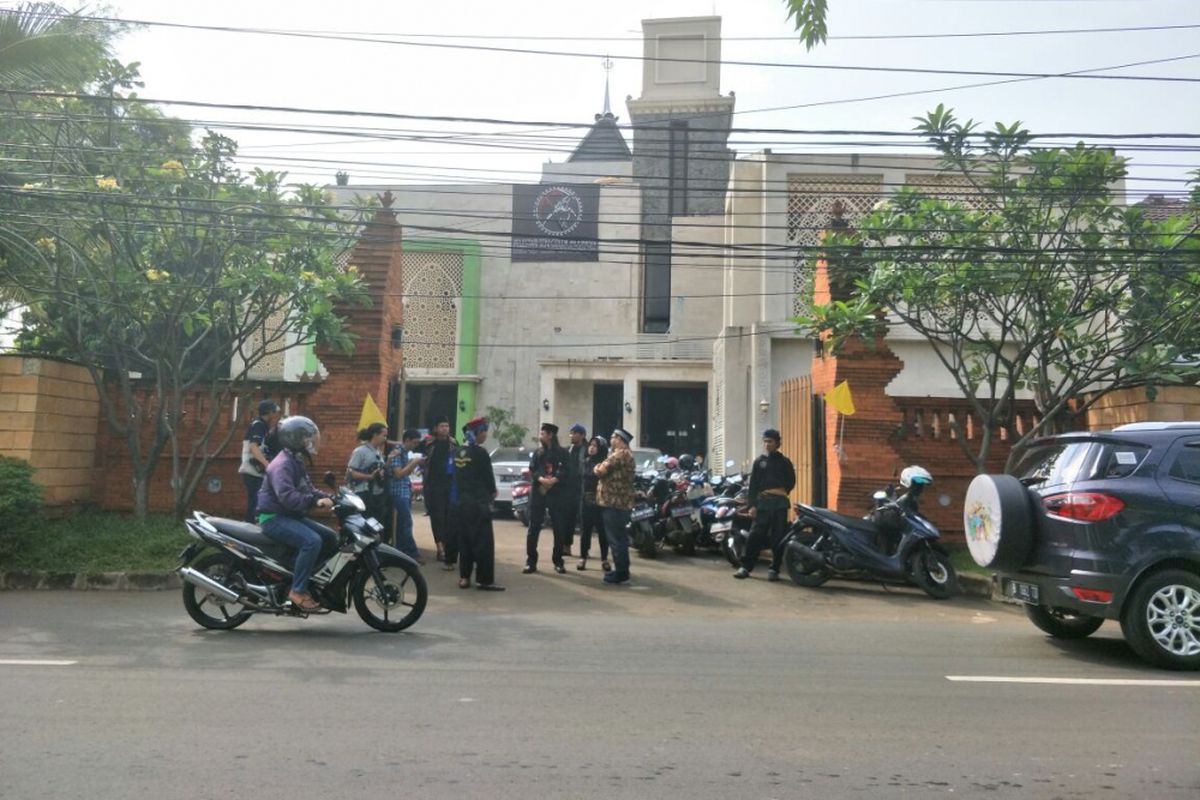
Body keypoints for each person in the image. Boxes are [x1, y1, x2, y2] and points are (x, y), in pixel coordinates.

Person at [256, 416, 338, 612]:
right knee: (312, 541)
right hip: (273, 518)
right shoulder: (282, 464)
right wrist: (314, 502)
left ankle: (303, 576)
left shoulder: (295, 460)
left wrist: (332, 497)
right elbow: (287, 497)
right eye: (307, 438)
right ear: (295, 440)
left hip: (288, 516)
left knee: (330, 537)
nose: (312, 442)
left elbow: (308, 488)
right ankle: (297, 590)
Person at [734, 428, 797, 581]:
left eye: (771, 441)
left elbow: (791, 481)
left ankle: (774, 569)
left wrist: (779, 492)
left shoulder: (785, 462)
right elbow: (753, 485)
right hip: (762, 504)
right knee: (755, 535)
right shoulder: (759, 462)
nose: (767, 444)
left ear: (778, 443)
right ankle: (745, 567)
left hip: (780, 504)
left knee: (778, 537)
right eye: (765, 441)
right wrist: (752, 506)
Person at [451, 416, 504, 591]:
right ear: (478, 433)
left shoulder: (457, 452)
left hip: (462, 503)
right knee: (483, 543)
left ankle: (464, 577)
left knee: (465, 541)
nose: (486, 435)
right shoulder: (481, 453)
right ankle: (484, 580)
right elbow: (488, 478)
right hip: (479, 504)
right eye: (484, 431)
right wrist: (493, 491)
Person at [524, 422, 569, 574]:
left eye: (542, 434)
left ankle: (558, 561)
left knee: (558, 528)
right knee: (533, 527)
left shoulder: (562, 453)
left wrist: (555, 480)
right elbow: (533, 469)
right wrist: (541, 479)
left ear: (550, 435)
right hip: (539, 492)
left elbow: (566, 470)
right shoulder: (538, 453)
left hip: (557, 494)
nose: (540, 436)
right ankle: (531, 561)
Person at [595, 427, 636, 585]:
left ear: (620, 440)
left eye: (613, 437)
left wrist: (596, 467)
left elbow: (600, 470)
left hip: (614, 503)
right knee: (620, 538)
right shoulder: (626, 455)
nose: (611, 440)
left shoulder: (620, 454)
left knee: (616, 539)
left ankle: (621, 573)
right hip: (619, 502)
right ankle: (622, 570)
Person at [422, 416, 458, 569]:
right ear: (436, 428)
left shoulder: (454, 443)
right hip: (433, 486)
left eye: (447, 426)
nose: (445, 428)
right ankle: (440, 548)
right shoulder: (429, 443)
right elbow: (409, 446)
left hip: (450, 485)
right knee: (437, 517)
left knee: (449, 518)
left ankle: (448, 548)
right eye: (442, 426)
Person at [238, 400, 280, 523]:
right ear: (269, 412)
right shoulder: (259, 425)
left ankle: (250, 526)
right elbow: (254, 447)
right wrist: (268, 465)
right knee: (255, 502)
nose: (275, 414)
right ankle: (249, 529)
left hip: (255, 471)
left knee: (255, 501)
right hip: (252, 471)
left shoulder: (262, 425)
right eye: (273, 411)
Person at [346, 422, 390, 539]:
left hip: (375, 494)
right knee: (364, 525)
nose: (385, 439)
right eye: (383, 435)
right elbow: (351, 473)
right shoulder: (360, 451)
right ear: (375, 435)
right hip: (362, 493)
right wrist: (369, 477)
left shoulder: (378, 452)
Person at [389, 428, 425, 563]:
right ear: (407, 440)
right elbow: (398, 474)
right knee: (406, 522)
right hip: (398, 491)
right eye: (414, 443)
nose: (415, 446)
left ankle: (400, 552)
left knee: (402, 523)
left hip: (404, 490)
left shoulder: (403, 450)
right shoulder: (397, 453)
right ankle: (412, 552)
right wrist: (414, 463)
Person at [576, 434, 611, 572]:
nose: (591, 448)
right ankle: (583, 557)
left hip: (600, 501)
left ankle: (604, 559)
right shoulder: (585, 462)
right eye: (590, 445)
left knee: (602, 531)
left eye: (595, 446)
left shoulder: (604, 464)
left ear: (601, 448)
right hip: (585, 500)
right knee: (585, 531)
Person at [563, 423, 588, 555]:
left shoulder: (588, 450)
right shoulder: (567, 450)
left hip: (584, 490)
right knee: (568, 519)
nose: (571, 435)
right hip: (569, 491)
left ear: (582, 435)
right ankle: (566, 546)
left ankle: (585, 550)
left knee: (585, 521)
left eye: (574, 433)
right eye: (571, 433)